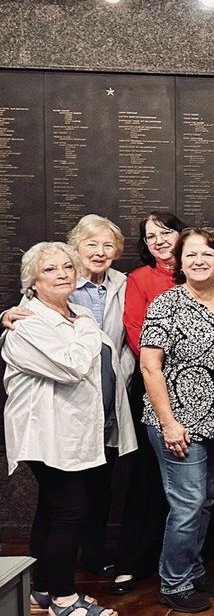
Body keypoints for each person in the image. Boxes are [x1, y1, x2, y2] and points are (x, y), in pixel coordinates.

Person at [1, 215, 138, 577]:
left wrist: (117, 378)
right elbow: (57, 351)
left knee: (90, 495)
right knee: (67, 506)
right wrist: (86, 328)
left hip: (101, 404)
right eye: (91, 244)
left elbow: (126, 341)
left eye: (108, 245)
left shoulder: (121, 286)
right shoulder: (47, 309)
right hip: (59, 416)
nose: (100, 252)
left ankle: (65, 576)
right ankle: (55, 590)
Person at [140, 227, 214, 613]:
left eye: (207, 255)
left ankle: (192, 567)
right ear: (179, 263)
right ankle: (174, 582)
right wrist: (169, 423)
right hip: (178, 422)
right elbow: (150, 368)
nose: (199, 261)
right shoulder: (166, 304)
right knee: (188, 503)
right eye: (190, 255)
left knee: (206, 501)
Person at [113, 210, 188, 595]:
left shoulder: (204, 270)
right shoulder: (140, 280)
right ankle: (134, 561)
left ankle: (195, 561)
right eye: (150, 236)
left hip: (206, 391)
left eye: (165, 232)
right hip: (155, 385)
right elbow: (137, 334)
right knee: (147, 480)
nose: (158, 240)